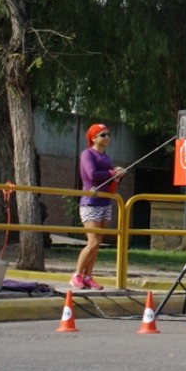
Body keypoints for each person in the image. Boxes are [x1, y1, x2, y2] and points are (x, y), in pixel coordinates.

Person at [73, 124, 123, 290]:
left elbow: (109, 181)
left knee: (98, 243)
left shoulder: (107, 158)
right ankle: (77, 275)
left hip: (104, 202)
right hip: (90, 202)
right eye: (103, 135)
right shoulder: (87, 154)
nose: (107, 137)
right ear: (94, 138)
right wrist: (111, 173)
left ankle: (88, 276)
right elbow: (92, 175)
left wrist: (118, 176)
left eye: (108, 134)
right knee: (93, 242)